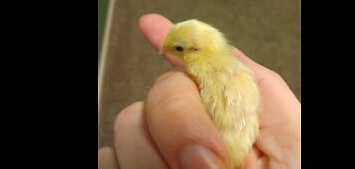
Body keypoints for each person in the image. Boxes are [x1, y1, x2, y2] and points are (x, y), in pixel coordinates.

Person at [98, 14, 301, 169]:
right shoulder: (231, 64)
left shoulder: (201, 66)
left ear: (195, 50)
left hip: (233, 149)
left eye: (178, 49)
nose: (165, 52)